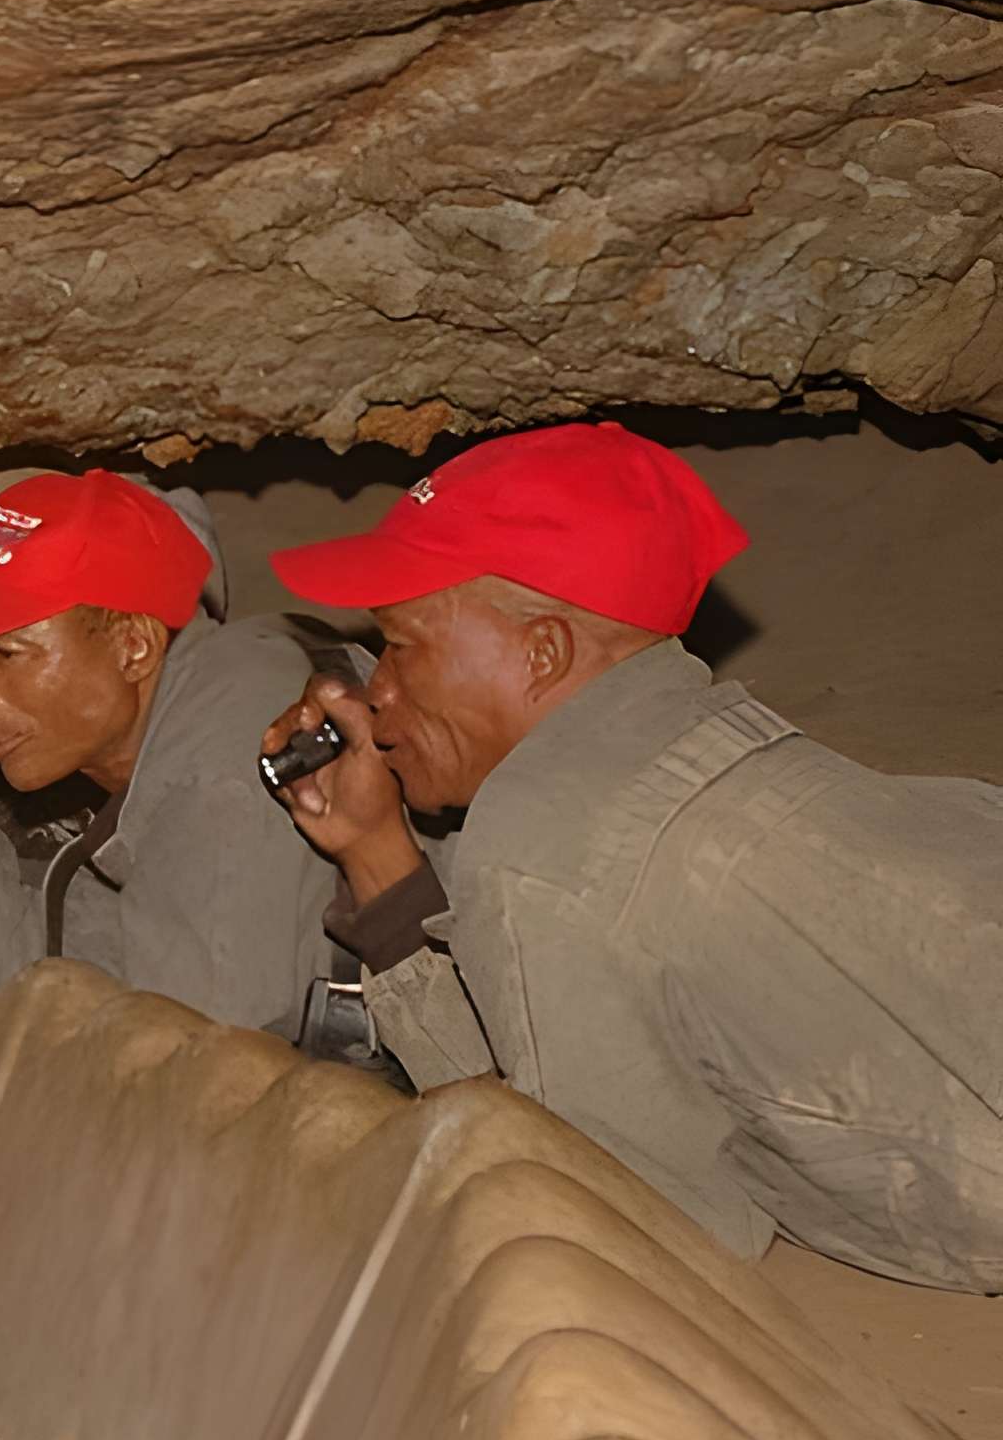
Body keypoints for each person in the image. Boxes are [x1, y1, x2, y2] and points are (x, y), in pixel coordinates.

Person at [261, 420, 1003, 1291]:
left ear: (543, 651)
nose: (379, 687)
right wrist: (377, 854)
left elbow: (616, 1218)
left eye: (406, 646)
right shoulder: (718, 752)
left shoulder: (552, 841)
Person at [0, 469, 349, 1040]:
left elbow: (180, 1081)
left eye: (9, 653)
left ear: (133, 645)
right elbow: (51, 978)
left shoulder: (232, 756)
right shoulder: (148, 771)